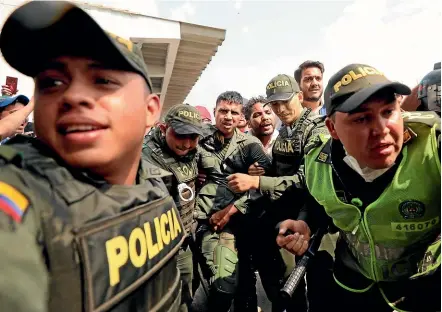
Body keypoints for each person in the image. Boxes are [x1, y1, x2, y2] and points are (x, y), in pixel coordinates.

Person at [0, 1, 185, 311]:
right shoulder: (21, 189)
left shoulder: (157, 182)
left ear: (150, 110)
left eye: (103, 80)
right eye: (52, 83)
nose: (71, 96)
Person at [277, 63, 441, 312]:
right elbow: (317, 203)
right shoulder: (318, 164)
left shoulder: (433, 147)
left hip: (422, 291)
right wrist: (306, 223)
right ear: (332, 129)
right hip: (354, 286)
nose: (381, 129)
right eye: (362, 118)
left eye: (388, 111)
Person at [227, 74, 334, 312]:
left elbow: (307, 179)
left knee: (321, 288)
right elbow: (278, 171)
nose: (281, 109)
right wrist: (261, 170)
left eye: (286, 102)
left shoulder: (315, 129)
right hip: (291, 221)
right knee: (290, 288)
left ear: (299, 97)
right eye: (275, 104)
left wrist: (257, 181)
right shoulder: (286, 132)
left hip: (319, 222)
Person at [195, 91, 271, 312]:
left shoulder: (250, 144)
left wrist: (232, 209)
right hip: (204, 220)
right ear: (215, 111)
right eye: (223, 111)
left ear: (241, 118)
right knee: (213, 282)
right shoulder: (200, 138)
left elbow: (265, 185)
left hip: (240, 222)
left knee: (238, 283)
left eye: (234, 112)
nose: (228, 117)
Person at [142, 104, 204, 312]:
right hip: (157, 245)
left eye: (193, 137)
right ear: (162, 128)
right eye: (180, 135)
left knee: (186, 293)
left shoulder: (193, 150)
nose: (187, 143)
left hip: (184, 240)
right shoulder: (146, 157)